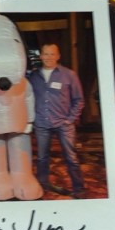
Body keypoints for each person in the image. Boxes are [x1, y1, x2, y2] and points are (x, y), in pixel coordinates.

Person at [27, 43, 86, 198]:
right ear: (41, 56)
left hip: (63, 124)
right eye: (45, 54)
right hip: (41, 124)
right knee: (42, 158)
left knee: (71, 158)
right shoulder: (33, 77)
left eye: (52, 54)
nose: (49, 57)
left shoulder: (69, 75)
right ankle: (43, 186)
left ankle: (79, 189)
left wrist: (70, 119)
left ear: (58, 56)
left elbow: (79, 100)